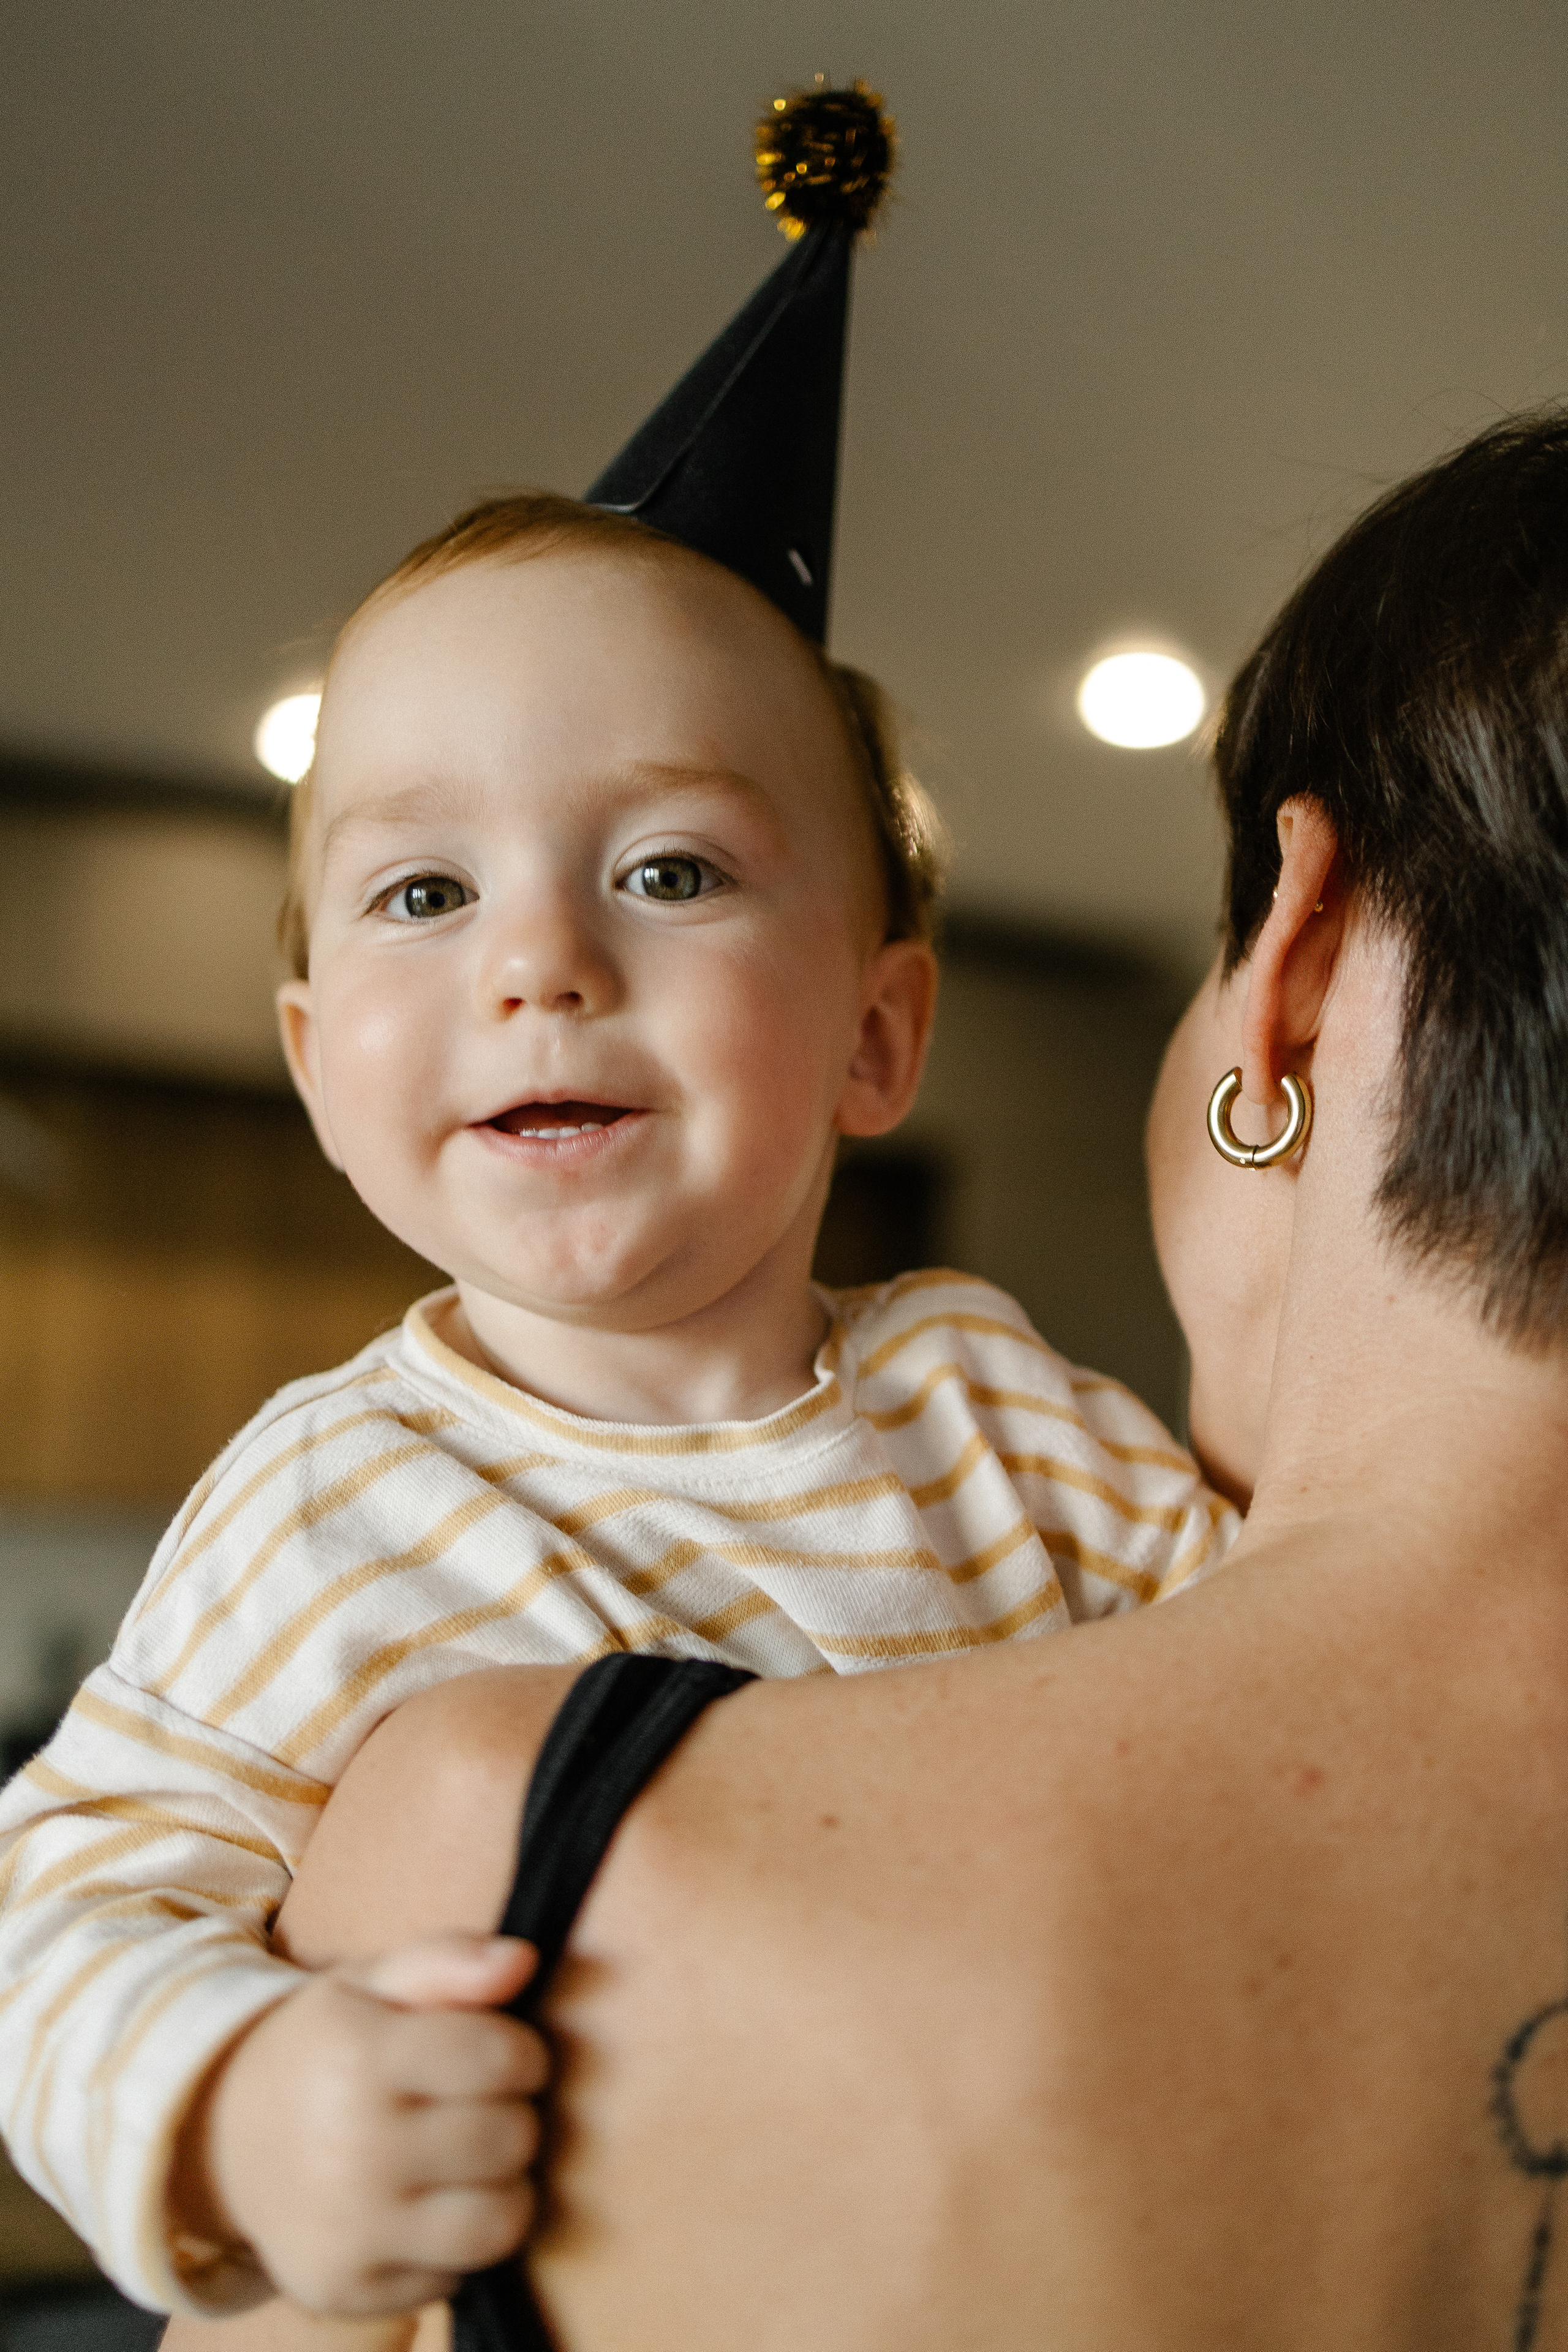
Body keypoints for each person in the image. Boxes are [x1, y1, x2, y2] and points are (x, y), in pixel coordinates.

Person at [168, 410, 1568, 2352]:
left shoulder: (505, 1845)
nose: (540, 967)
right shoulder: (338, 1503)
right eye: (426, 893)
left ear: (1296, 977)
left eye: (673, 872)